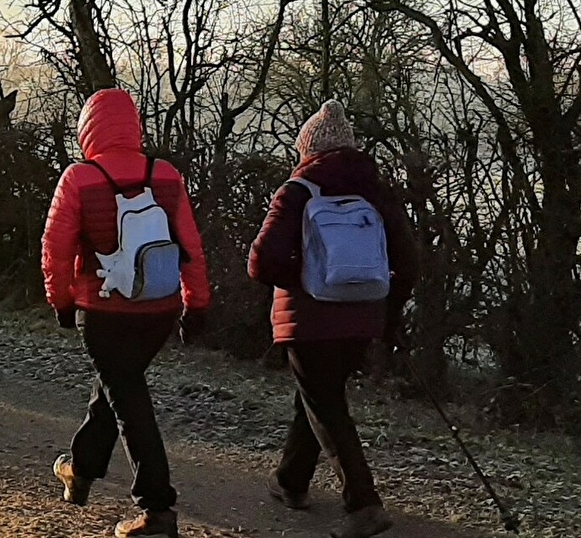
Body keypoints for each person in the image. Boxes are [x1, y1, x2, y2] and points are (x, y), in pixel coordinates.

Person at [42, 88, 210, 538]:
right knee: (118, 387)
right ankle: (79, 469)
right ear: (133, 126)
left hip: (103, 311)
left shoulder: (79, 178)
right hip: (158, 311)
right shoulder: (166, 175)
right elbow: (190, 249)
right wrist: (196, 303)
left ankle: (157, 511)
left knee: (128, 400)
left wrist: (60, 301)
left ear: (88, 129)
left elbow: (55, 251)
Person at [248, 100, 420, 538]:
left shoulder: (298, 190)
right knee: (318, 397)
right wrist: (387, 315)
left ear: (307, 150)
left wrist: (305, 278)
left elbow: (261, 261)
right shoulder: (378, 194)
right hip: (363, 317)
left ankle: (364, 505)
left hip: (309, 321)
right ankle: (291, 481)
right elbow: (408, 263)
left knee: (326, 405)